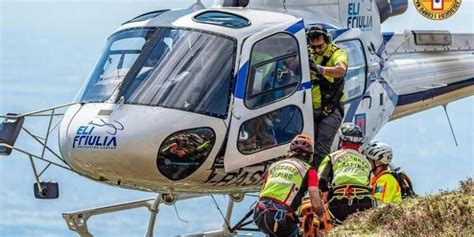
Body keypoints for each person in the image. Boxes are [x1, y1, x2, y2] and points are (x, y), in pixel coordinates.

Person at [254, 135, 324, 236]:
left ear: (290, 151)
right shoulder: (309, 170)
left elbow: (263, 189)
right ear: (310, 155)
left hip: (259, 212)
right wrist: (321, 216)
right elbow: (316, 204)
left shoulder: (274, 166)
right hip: (279, 216)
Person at [306, 25, 348, 169]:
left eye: (320, 46)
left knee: (321, 151)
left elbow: (340, 70)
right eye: (314, 47)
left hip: (330, 110)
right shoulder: (309, 53)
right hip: (309, 109)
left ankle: (320, 186)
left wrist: (320, 69)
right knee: (305, 148)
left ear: (327, 41)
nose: (317, 50)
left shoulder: (337, 53)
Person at [317, 123, 375, 225]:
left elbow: (321, 179)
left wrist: (325, 194)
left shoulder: (332, 156)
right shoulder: (366, 162)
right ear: (359, 144)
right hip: (365, 202)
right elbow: (370, 184)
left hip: (340, 201)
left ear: (341, 141)